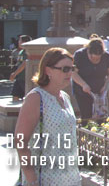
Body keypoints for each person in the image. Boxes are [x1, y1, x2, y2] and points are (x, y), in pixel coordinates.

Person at [14, 47, 80, 185]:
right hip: (44, 179)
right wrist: (32, 179)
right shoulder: (36, 98)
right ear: (48, 70)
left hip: (70, 177)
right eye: (65, 69)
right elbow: (20, 141)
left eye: (72, 68)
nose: (70, 73)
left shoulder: (65, 97)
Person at [71, 38, 109, 119]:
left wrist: (105, 86)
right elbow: (73, 73)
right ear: (88, 52)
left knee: (101, 116)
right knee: (86, 115)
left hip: (100, 91)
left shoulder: (106, 56)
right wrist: (83, 85)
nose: (95, 60)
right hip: (82, 90)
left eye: (98, 58)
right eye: (93, 58)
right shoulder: (79, 55)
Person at [9, 34, 32, 101]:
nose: (18, 42)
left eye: (20, 41)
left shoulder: (27, 52)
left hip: (25, 78)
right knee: (15, 96)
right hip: (19, 78)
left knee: (28, 97)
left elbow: (24, 64)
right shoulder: (21, 52)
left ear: (25, 42)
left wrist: (15, 73)